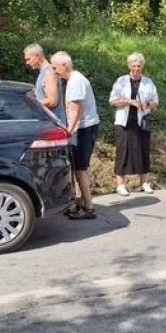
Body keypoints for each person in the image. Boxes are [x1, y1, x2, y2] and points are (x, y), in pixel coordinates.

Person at [51, 51, 100, 220]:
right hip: (81, 128)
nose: (54, 70)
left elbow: (76, 108)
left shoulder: (76, 81)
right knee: (78, 168)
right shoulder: (73, 80)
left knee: (80, 169)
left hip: (83, 129)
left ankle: (89, 208)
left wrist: (69, 130)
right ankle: (82, 202)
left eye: (55, 67)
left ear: (64, 65)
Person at [109, 52, 159, 196]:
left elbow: (155, 102)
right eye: (134, 65)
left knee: (143, 151)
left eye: (139, 66)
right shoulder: (121, 81)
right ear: (129, 66)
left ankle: (144, 183)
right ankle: (120, 185)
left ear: (142, 66)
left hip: (141, 122)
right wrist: (129, 101)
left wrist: (147, 103)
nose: (136, 68)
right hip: (124, 121)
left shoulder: (148, 82)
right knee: (122, 153)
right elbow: (112, 101)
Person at [23, 43, 66, 123]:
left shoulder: (49, 73)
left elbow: (52, 101)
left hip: (54, 124)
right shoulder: (44, 72)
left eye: (28, 59)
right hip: (48, 123)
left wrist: (31, 102)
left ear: (37, 56)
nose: (27, 63)